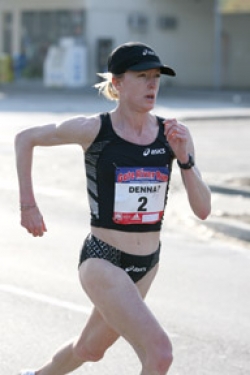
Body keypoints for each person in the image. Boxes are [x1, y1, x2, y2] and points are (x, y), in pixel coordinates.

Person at [15, 41, 211, 375]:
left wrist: (185, 160)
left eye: (157, 77)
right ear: (117, 83)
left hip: (147, 263)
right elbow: (25, 138)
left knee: (90, 348)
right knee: (159, 352)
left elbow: (204, 211)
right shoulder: (93, 129)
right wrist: (28, 205)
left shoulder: (174, 134)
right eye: (142, 76)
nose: (152, 84)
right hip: (103, 259)